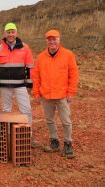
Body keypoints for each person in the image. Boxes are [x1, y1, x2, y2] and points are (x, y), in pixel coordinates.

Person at [32, 29, 79, 158]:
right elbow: (36, 76)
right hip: (46, 95)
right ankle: (54, 142)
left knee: (66, 121)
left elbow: (73, 75)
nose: (52, 41)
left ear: (59, 40)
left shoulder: (68, 55)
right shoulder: (41, 57)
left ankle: (68, 144)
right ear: (46, 41)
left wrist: (71, 92)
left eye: (54, 39)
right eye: (49, 39)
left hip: (63, 95)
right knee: (49, 120)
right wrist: (36, 92)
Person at [0, 22, 39, 148]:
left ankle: (28, 136)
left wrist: (30, 84)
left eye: (12, 32)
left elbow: (30, 67)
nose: (10, 34)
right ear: (5, 34)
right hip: (4, 87)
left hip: (20, 86)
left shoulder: (25, 48)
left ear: (16, 33)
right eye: (8, 32)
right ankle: (7, 137)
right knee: (6, 111)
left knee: (26, 110)